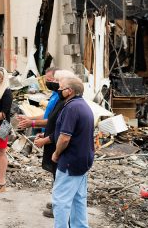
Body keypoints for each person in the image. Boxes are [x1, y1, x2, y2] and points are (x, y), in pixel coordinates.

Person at [51, 76, 94, 228]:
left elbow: (64, 138)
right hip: (83, 160)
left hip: (70, 160)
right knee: (78, 200)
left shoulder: (71, 108)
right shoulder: (83, 106)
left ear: (69, 91)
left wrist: (56, 154)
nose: (58, 90)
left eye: (61, 88)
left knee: (60, 201)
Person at [33, 69, 76, 218]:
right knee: (56, 175)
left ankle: (60, 208)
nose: (56, 86)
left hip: (61, 146)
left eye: (59, 83)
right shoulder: (59, 98)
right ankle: (57, 203)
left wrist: (45, 139)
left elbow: (62, 133)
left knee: (62, 178)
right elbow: (51, 119)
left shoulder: (69, 105)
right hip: (53, 140)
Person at [17, 67, 59, 132]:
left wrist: (32, 123)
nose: (46, 83)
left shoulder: (60, 97)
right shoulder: (54, 93)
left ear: (57, 79)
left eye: (49, 80)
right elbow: (47, 115)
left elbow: (54, 121)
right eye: (46, 80)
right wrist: (28, 118)